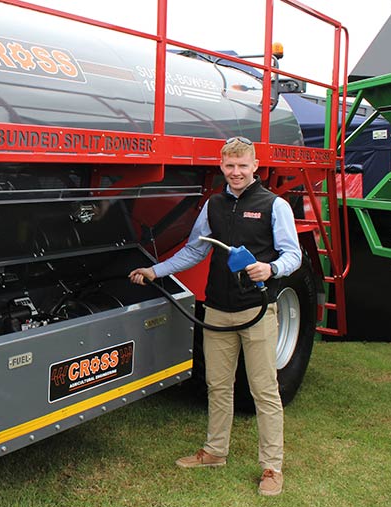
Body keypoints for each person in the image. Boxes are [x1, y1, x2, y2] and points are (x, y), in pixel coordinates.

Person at [128, 136, 301, 496]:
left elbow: (292, 255)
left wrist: (270, 270)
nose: (236, 172)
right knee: (218, 387)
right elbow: (194, 251)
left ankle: (272, 467)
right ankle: (215, 452)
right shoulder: (213, 206)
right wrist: (156, 271)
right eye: (229, 166)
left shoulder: (275, 206)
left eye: (242, 166)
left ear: (255, 166)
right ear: (221, 167)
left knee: (263, 391)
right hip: (218, 310)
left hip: (256, 311)